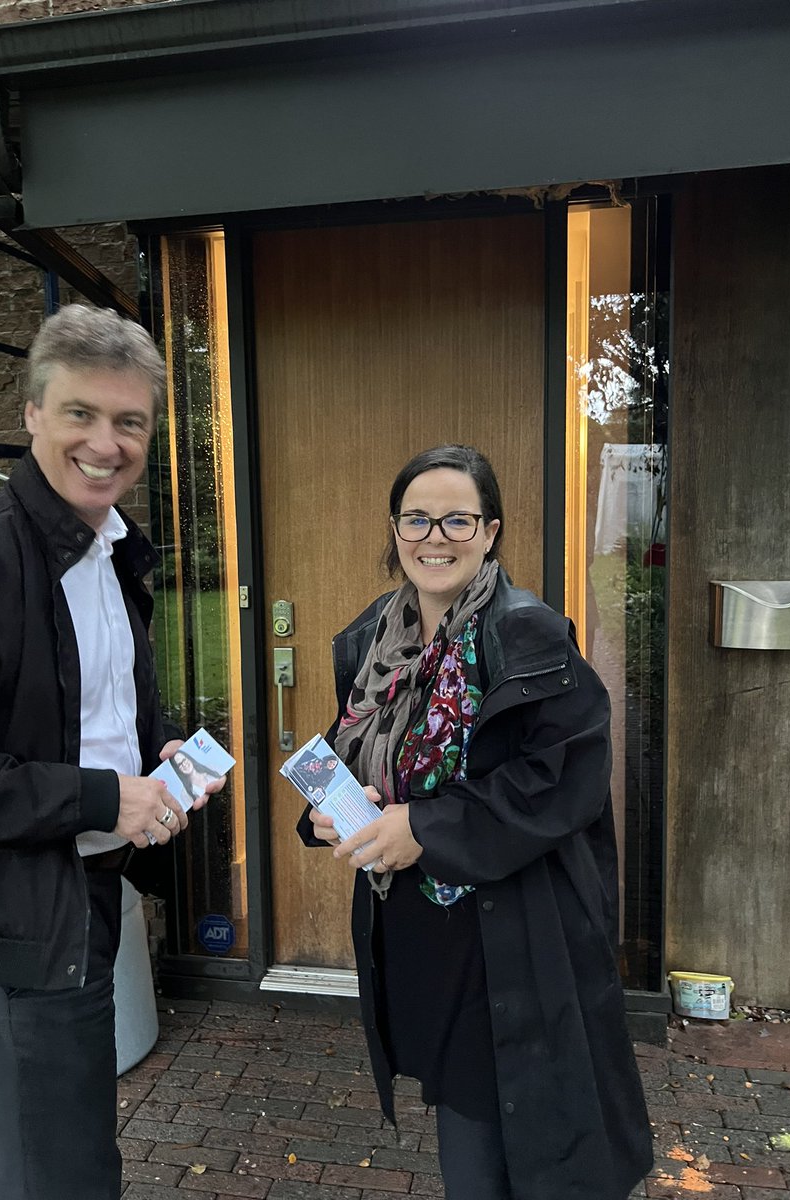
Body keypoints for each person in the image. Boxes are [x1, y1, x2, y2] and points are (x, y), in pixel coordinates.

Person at [299, 445, 652, 1200]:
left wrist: (425, 827)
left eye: (457, 518)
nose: (436, 536)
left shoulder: (529, 634)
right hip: (422, 930)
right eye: (417, 519)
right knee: (466, 1113)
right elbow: (352, 750)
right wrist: (328, 814)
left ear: (490, 531)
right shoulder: (374, 641)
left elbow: (565, 780)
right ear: (394, 531)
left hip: (513, 935)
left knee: (523, 1138)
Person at [0, 304, 220, 1200]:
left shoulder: (110, 554)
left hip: (88, 896)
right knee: (59, 1169)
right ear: (31, 413)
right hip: (16, 924)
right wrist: (108, 800)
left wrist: (153, 760)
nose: (107, 443)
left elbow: (80, 714)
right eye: (81, 414)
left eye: (130, 421)